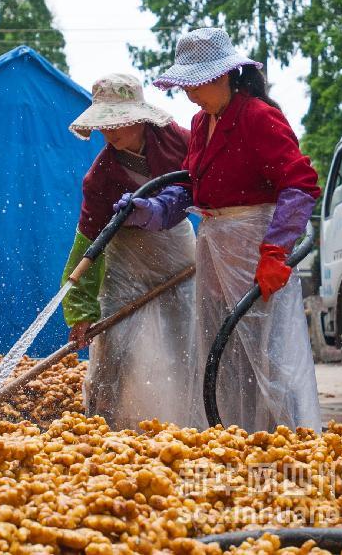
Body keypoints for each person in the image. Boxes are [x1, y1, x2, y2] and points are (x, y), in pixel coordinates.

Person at [115, 28, 322, 433]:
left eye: (196, 81)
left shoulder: (258, 117)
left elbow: (300, 184)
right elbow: (193, 187)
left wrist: (276, 251)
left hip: (254, 246)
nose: (189, 91)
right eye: (185, 83)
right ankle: (235, 435)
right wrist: (151, 210)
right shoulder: (200, 122)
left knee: (270, 355)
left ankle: (294, 440)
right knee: (222, 352)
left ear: (224, 75)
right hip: (216, 244)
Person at [61, 73, 198, 431]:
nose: (109, 133)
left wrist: (163, 206)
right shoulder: (101, 176)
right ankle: (107, 422)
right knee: (116, 344)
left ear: (139, 117)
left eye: (116, 122)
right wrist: (81, 307)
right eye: (103, 126)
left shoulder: (178, 141)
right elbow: (89, 242)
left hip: (175, 249)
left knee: (184, 335)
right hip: (126, 255)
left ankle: (189, 419)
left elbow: (200, 181)